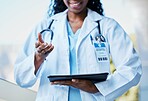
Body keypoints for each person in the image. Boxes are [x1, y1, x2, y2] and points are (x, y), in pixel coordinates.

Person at [14, 0, 142, 101]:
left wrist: (97, 88)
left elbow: (132, 68)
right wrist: (38, 58)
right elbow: (21, 77)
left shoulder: (108, 26)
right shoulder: (45, 26)